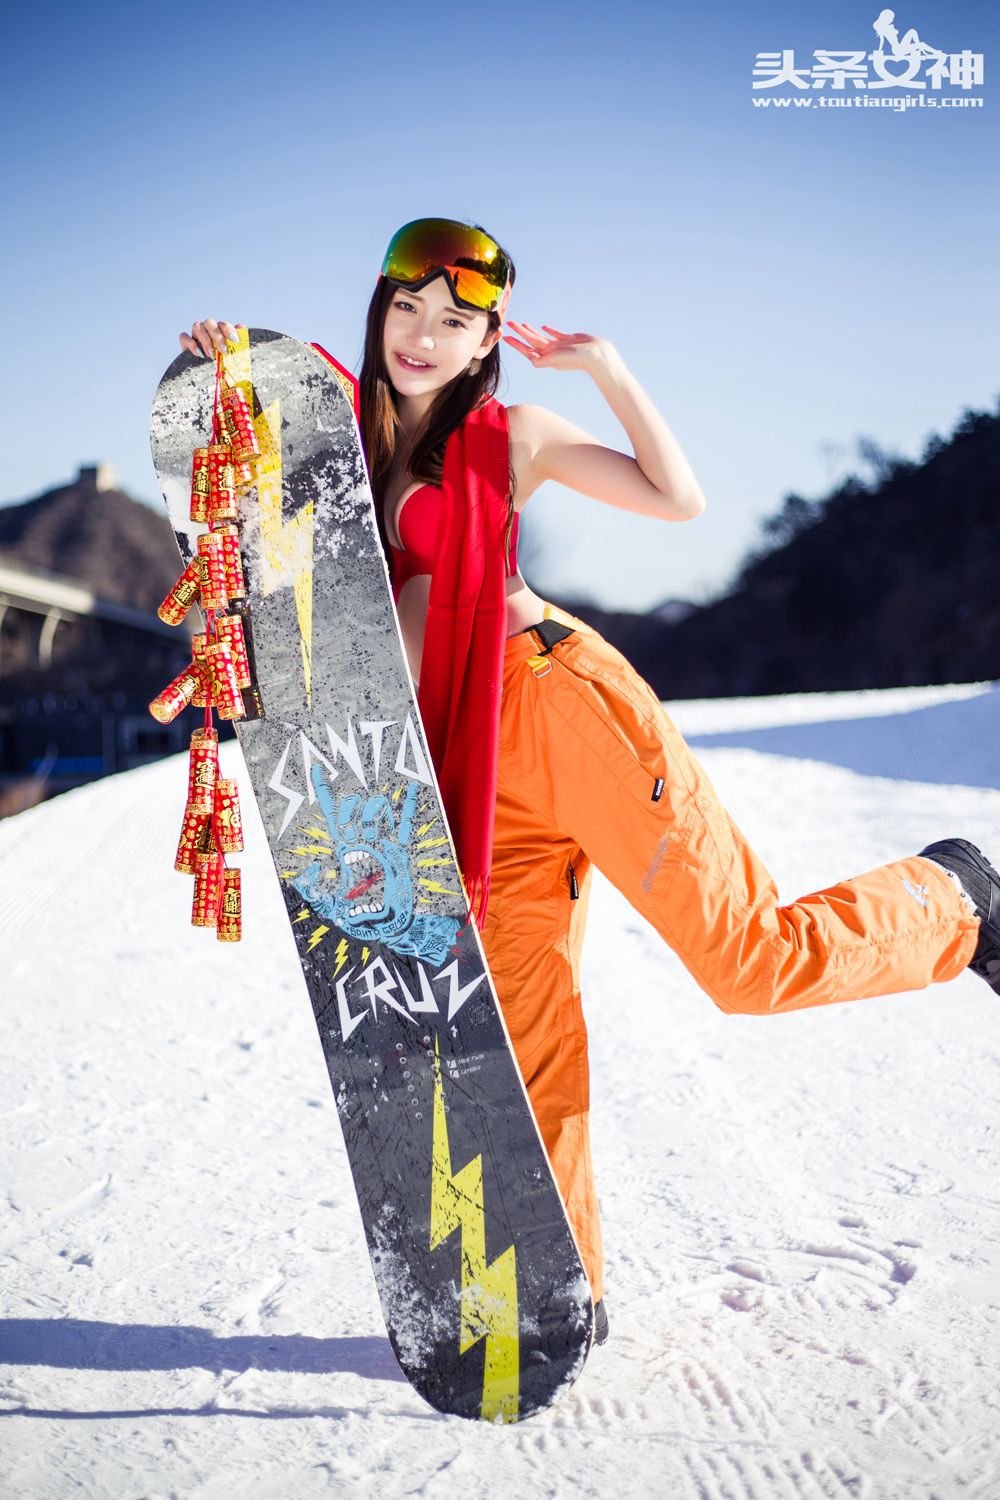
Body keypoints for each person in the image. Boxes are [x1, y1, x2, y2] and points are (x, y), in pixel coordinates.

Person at [180, 215, 1000, 1348]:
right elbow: (249, 521)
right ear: (377, 315)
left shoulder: (513, 435)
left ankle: (955, 897)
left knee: (749, 961)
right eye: (406, 310)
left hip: (562, 709)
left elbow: (677, 503)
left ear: (484, 345)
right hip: (460, 768)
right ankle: (560, 1280)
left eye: (454, 322)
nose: (422, 336)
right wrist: (232, 371)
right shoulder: (328, 433)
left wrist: (607, 369)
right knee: (514, 1043)